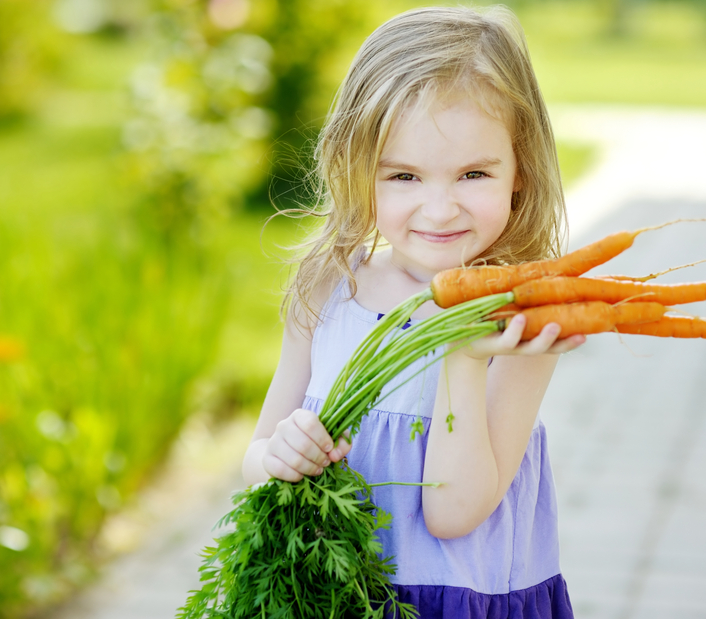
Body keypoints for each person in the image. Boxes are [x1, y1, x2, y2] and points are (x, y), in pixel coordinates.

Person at [241, 6, 585, 618]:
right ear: (357, 172)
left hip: (456, 601)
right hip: (329, 595)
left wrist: (462, 356)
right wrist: (277, 457)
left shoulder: (520, 321)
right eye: (403, 176)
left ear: (520, 174)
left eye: (473, 173)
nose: (439, 209)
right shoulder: (330, 287)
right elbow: (258, 454)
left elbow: (453, 514)